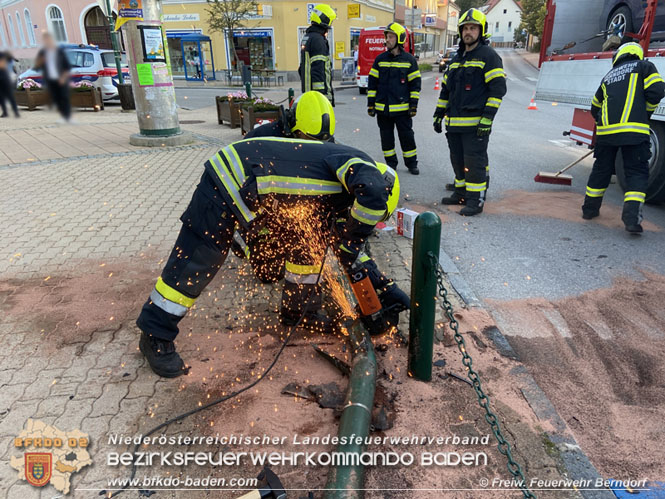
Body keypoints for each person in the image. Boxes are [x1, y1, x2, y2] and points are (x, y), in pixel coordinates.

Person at [136, 93, 408, 378]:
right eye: (371, 217)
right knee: (200, 260)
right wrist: (355, 237)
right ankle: (155, 334)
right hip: (226, 182)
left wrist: (384, 285)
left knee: (307, 251)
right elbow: (370, 203)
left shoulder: (339, 193)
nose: (364, 220)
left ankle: (296, 313)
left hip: (254, 194)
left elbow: (347, 251)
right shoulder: (360, 166)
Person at [584, 42, 665, 233]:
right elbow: (657, 92)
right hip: (634, 133)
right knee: (636, 173)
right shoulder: (644, 67)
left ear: (618, 56)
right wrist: (644, 113)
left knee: (601, 171)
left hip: (606, 135)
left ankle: (589, 210)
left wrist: (604, 124)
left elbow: (595, 107)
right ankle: (631, 220)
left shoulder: (608, 76)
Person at [433, 8, 506, 216]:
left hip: (475, 125)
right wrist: (438, 115)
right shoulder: (456, 59)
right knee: (458, 161)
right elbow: (446, 90)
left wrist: (487, 119)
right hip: (454, 124)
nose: (469, 32)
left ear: (481, 31)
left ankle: (476, 200)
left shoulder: (489, 56)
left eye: (473, 28)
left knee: (474, 163)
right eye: (465, 28)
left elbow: (498, 90)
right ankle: (461, 193)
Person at [367, 22, 421, 175]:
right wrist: (371, 105)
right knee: (386, 139)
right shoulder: (380, 59)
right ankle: (391, 164)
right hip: (383, 110)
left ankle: (412, 164)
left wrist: (413, 105)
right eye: (387, 36)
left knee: (407, 137)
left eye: (391, 37)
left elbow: (415, 85)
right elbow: (372, 84)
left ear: (399, 39)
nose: (387, 40)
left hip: (403, 110)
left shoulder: (409, 60)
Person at [299, 3, 336, 105]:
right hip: (318, 96)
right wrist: (323, 96)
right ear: (324, 19)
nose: (331, 24)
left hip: (309, 93)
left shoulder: (308, 37)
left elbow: (302, 68)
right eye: (330, 20)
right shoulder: (318, 40)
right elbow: (319, 68)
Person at [34, 32, 72, 122]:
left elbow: (67, 66)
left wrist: (63, 78)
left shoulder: (59, 51)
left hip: (61, 79)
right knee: (56, 98)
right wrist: (40, 61)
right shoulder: (43, 52)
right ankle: (63, 116)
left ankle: (67, 117)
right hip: (50, 79)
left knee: (64, 97)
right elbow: (37, 67)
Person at [0, 52, 20, 118]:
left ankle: (16, 112)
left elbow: (2, 65)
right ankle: (5, 112)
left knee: (10, 96)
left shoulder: (2, 54)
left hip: (5, 78)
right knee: (1, 98)